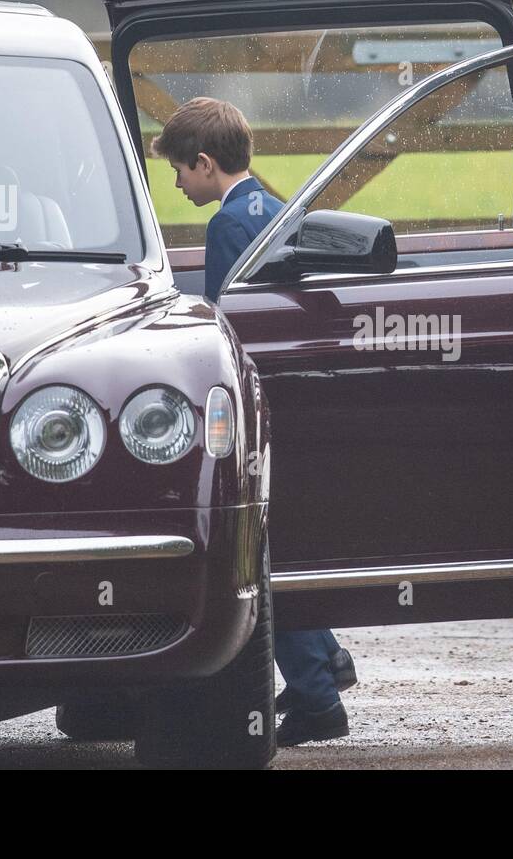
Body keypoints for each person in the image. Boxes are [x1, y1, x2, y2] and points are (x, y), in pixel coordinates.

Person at [150, 97, 358, 746]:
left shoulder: (226, 228)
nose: (179, 185)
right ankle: (325, 659)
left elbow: (224, 328)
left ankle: (319, 701)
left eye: (180, 172)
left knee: (256, 553)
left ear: (205, 164)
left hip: (255, 404)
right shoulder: (275, 207)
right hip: (296, 394)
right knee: (281, 541)